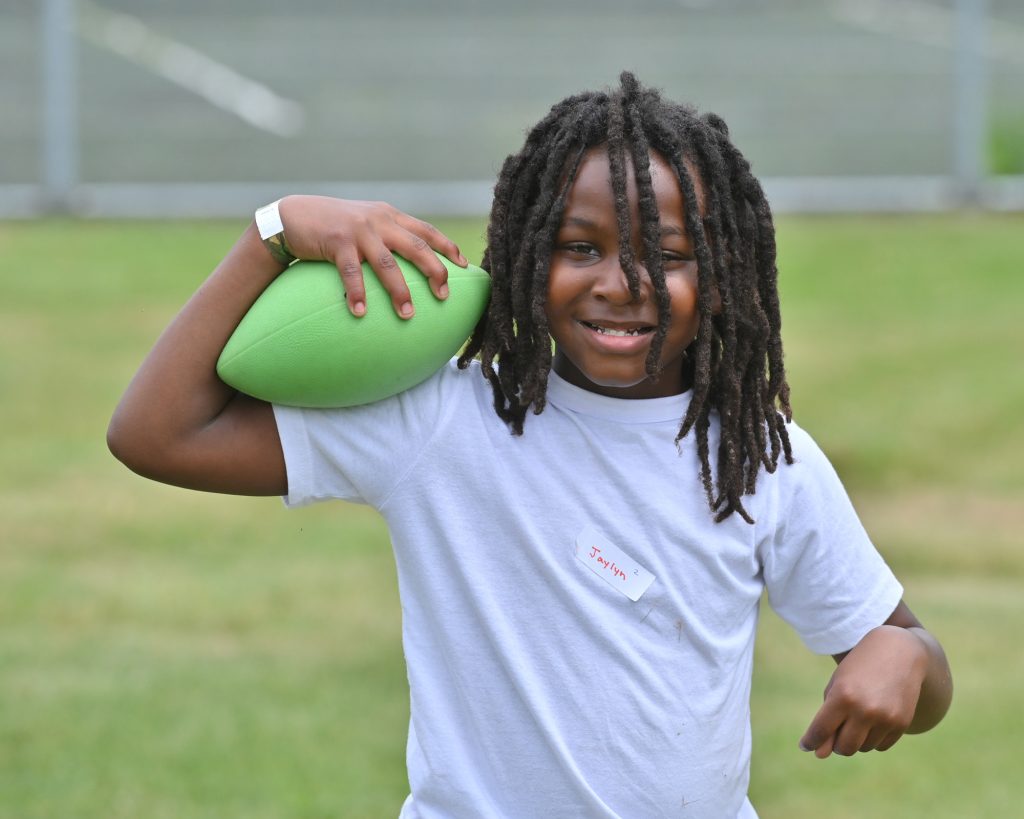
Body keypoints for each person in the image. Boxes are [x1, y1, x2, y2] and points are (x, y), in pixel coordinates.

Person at [108, 72, 952, 818]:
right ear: (522, 253)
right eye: (579, 247)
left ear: (725, 275)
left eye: (668, 255)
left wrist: (902, 652)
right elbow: (156, 432)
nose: (622, 284)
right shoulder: (440, 424)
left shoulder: (762, 460)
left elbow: (921, 671)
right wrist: (275, 230)